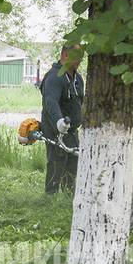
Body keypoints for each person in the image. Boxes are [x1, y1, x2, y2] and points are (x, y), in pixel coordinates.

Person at [39, 44, 84, 193]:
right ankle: (50, 197)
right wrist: (59, 121)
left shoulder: (77, 78)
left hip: (72, 130)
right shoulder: (54, 76)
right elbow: (50, 101)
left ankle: (68, 195)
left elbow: (80, 102)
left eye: (81, 57)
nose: (80, 60)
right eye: (76, 57)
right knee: (56, 162)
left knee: (73, 162)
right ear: (65, 55)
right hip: (54, 129)